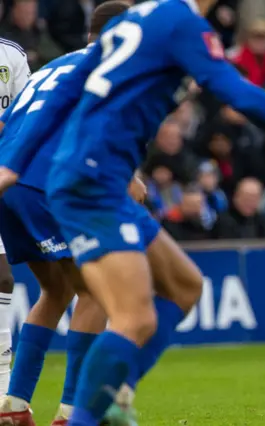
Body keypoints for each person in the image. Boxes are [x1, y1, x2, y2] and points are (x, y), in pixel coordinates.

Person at [0, 1, 265, 425]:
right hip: (87, 181)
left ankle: (98, 396)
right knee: (125, 311)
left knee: (183, 285)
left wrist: (10, 166)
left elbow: (60, 97)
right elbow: (239, 93)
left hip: (65, 176)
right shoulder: (177, 23)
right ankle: (81, 414)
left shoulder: (132, 24)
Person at [0, 3, 137, 425]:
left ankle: (14, 406)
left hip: (9, 184)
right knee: (95, 290)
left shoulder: (53, 66)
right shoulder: (112, 70)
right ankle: (72, 412)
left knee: (56, 291)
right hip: (45, 184)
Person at [0, 33, 31, 395]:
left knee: (3, 278)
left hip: (5, 176)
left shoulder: (11, 55)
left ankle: (6, 400)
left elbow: (26, 116)